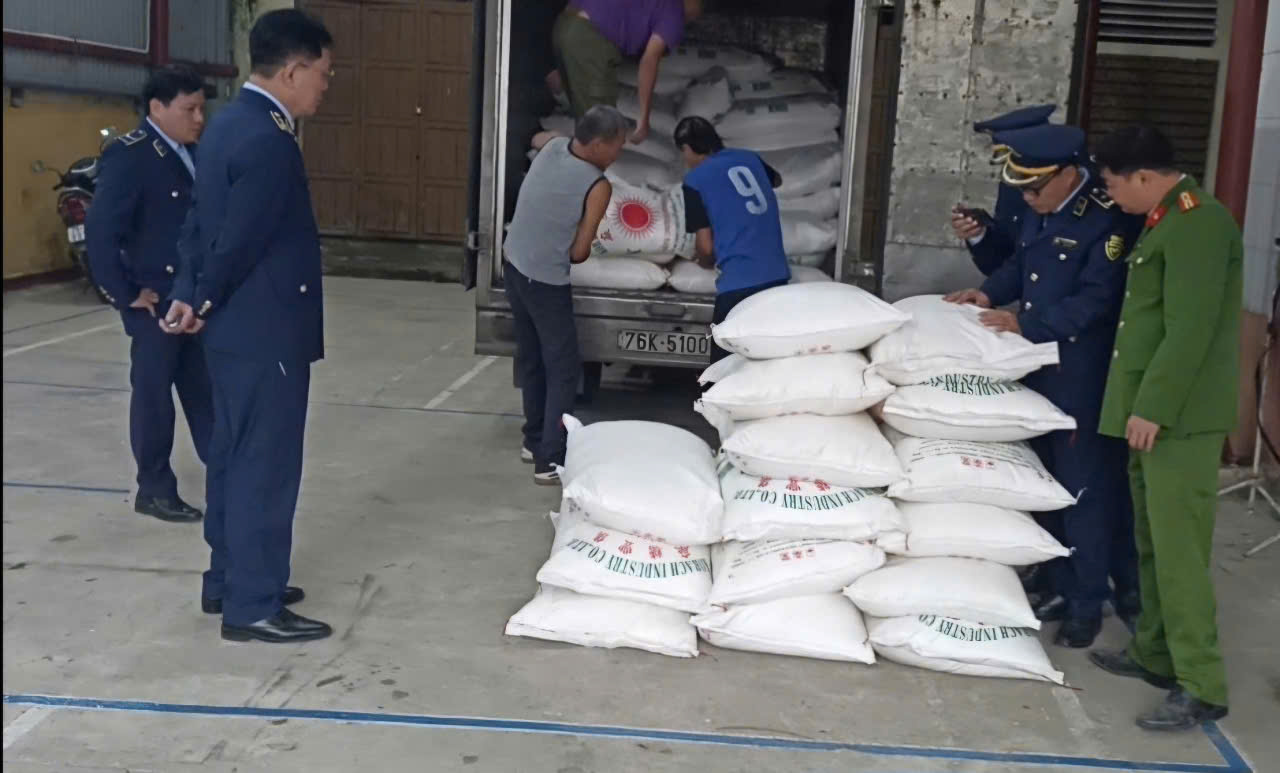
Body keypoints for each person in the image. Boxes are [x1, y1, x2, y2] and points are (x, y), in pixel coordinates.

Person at [163, 9, 334, 643]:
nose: (325, 86)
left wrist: (189, 295)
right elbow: (240, 239)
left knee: (232, 457)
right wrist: (203, 297)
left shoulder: (228, 124)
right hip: (266, 330)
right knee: (265, 465)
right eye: (322, 74)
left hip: (232, 333)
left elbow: (198, 224)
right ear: (292, 71)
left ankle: (229, 578)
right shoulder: (269, 139)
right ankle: (253, 603)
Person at [944, 123, 1141, 649]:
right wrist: (988, 295)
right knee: (1043, 481)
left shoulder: (1107, 220)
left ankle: (1087, 602)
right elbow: (1022, 265)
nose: (1028, 198)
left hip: (1082, 375)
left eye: (1034, 188)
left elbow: (1097, 300)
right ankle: (1056, 582)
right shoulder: (1043, 209)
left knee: (1082, 491)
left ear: (1069, 174)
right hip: (1039, 369)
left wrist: (1026, 324)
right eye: (1023, 190)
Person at [1086, 125, 1241, 732]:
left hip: (1177, 417)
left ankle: (1202, 684)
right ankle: (1155, 652)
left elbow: (1190, 328)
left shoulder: (1199, 224)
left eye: (1113, 184)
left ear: (1145, 177)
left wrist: (1155, 407)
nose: (1111, 196)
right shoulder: (1166, 219)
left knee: (1179, 556)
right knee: (1151, 542)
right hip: (1149, 413)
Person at [85, 65, 213, 524]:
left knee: (205, 389)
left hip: (193, 296)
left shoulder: (194, 152)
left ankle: (225, 473)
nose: (199, 118)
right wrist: (123, 293)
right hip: (155, 298)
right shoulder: (131, 155)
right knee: (155, 394)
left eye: (202, 109)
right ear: (157, 107)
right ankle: (154, 489)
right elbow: (101, 232)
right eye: (189, 109)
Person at [505, 106, 627, 485]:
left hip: (514, 265)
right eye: (617, 146)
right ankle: (550, 460)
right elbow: (578, 252)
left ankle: (533, 441)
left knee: (532, 359)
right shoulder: (598, 186)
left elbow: (537, 137)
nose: (618, 154)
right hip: (546, 282)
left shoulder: (553, 146)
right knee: (563, 369)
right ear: (597, 144)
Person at [674, 117, 790, 364]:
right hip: (777, 277)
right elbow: (776, 180)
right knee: (767, 362)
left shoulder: (694, 180)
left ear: (687, 148)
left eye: (683, 152)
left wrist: (703, 261)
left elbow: (705, 247)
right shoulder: (749, 158)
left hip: (739, 284)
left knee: (723, 368)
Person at [551, 0, 702, 143]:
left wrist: (557, 64)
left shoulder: (656, 6)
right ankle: (586, 157)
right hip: (588, 39)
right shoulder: (675, 12)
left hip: (564, 24)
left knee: (585, 116)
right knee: (601, 129)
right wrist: (643, 120)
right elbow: (649, 61)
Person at [952, 104, 1057, 276]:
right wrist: (979, 234)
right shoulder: (1012, 187)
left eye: (1015, 158)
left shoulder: (1080, 192)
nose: (1010, 170)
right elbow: (1003, 263)